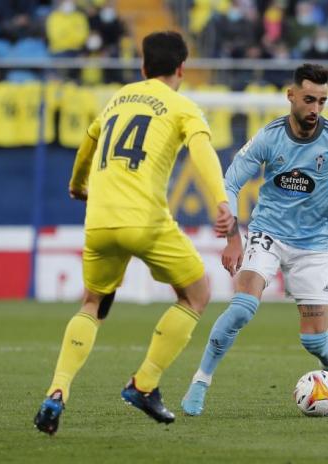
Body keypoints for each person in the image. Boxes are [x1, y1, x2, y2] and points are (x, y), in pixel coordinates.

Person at [34, 30, 235, 434]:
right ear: (182, 68)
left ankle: (57, 391)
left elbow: (88, 143)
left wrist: (77, 184)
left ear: (143, 67)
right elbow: (202, 152)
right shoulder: (182, 106)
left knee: (92, 303)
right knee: (197, 294)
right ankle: (144, 383)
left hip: (99, 220)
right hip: (145, 220)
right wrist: (222, 201)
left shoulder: (118, 98)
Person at [181, 63, 328, 416]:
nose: (315, 109)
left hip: (313, 246)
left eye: (322, 101)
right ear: (291, 96)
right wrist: (233, 238)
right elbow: (230, 182)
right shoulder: (269, 137)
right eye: (308, 99)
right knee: (241, 308)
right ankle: (200, 381)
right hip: (267, 234)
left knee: (313, 339)